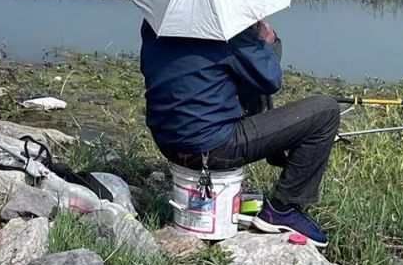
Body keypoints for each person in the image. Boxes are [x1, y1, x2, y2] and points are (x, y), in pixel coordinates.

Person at [139, 17, 339, 246]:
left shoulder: (156, 22)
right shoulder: (227, 28)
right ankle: (284, 208)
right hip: (214, 148)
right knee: (326, 110)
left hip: (168, 142)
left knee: (243, 76)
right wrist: (266, 42)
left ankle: (275, 153)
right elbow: (271, 78)